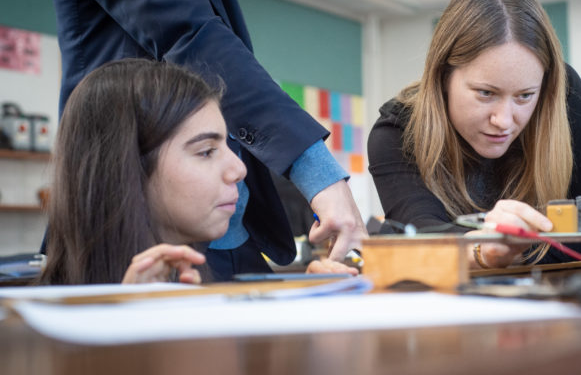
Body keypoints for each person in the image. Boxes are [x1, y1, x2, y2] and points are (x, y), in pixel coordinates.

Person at [47, 0, 367, 274]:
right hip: (134, 229)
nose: (237, 169)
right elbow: (192, 37)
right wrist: (318, 174)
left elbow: (220, 53)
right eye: (205, 151)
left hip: (228, 230)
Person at [367, 0, 581, 269]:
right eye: (486, 93)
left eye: (524, 96)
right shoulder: (396, 132)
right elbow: (424, 239)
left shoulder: (563, 96)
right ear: (443, 75)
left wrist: (505, 250)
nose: (504, 121)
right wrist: (486, 250)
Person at [40, 59, 356, 284]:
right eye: (206, 151)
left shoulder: (203, 283)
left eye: (229, 149)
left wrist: (311, 311)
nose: (239, 169)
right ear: (125, 168)